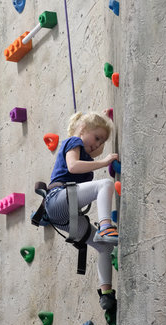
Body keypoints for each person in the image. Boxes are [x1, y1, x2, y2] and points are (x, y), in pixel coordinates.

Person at [44, 111, 119, 310]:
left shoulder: (85, 151)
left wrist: (101, 125)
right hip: (57, 199)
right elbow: (73, 166)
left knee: (105, 248)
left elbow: (87, 158)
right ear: (82, 129)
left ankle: (106, 294)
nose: (97, 144)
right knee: (104, 184)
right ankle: (105, 226)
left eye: (101, 141)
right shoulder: (73, 141)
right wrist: (104, 162)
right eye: (96, 137)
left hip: (65, 217)